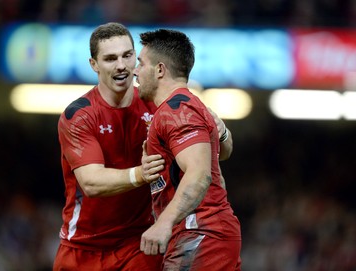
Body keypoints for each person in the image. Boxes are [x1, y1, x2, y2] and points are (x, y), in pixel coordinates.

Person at [53, 22, 232, 270]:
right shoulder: (79, 115)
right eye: (110, 58)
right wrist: (140, 173)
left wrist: (222, 133)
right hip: (83, 247)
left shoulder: (159, 103)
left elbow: (216, 151)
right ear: (94, 65)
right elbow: (91, 182)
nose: (122, 65)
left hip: (140, 245)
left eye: (128, 56)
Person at [134, 29, 242, 270]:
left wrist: (164, 223)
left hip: (200, 231)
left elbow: (198, 173)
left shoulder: (177, 111)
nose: (135, 71)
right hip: (204, 233)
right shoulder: (187, 106)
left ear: (160, 70)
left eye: (141, 63)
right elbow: (223, 152)